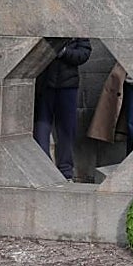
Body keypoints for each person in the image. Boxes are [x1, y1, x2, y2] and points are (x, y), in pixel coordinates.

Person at [34, 37, 91, 180]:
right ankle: (43, 169)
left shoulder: (77, 28)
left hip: (68, 86)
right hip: (44, 84)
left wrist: (64, 52)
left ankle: (66, 172)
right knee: (41, 126)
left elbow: (84, 53)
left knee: (67, 129)